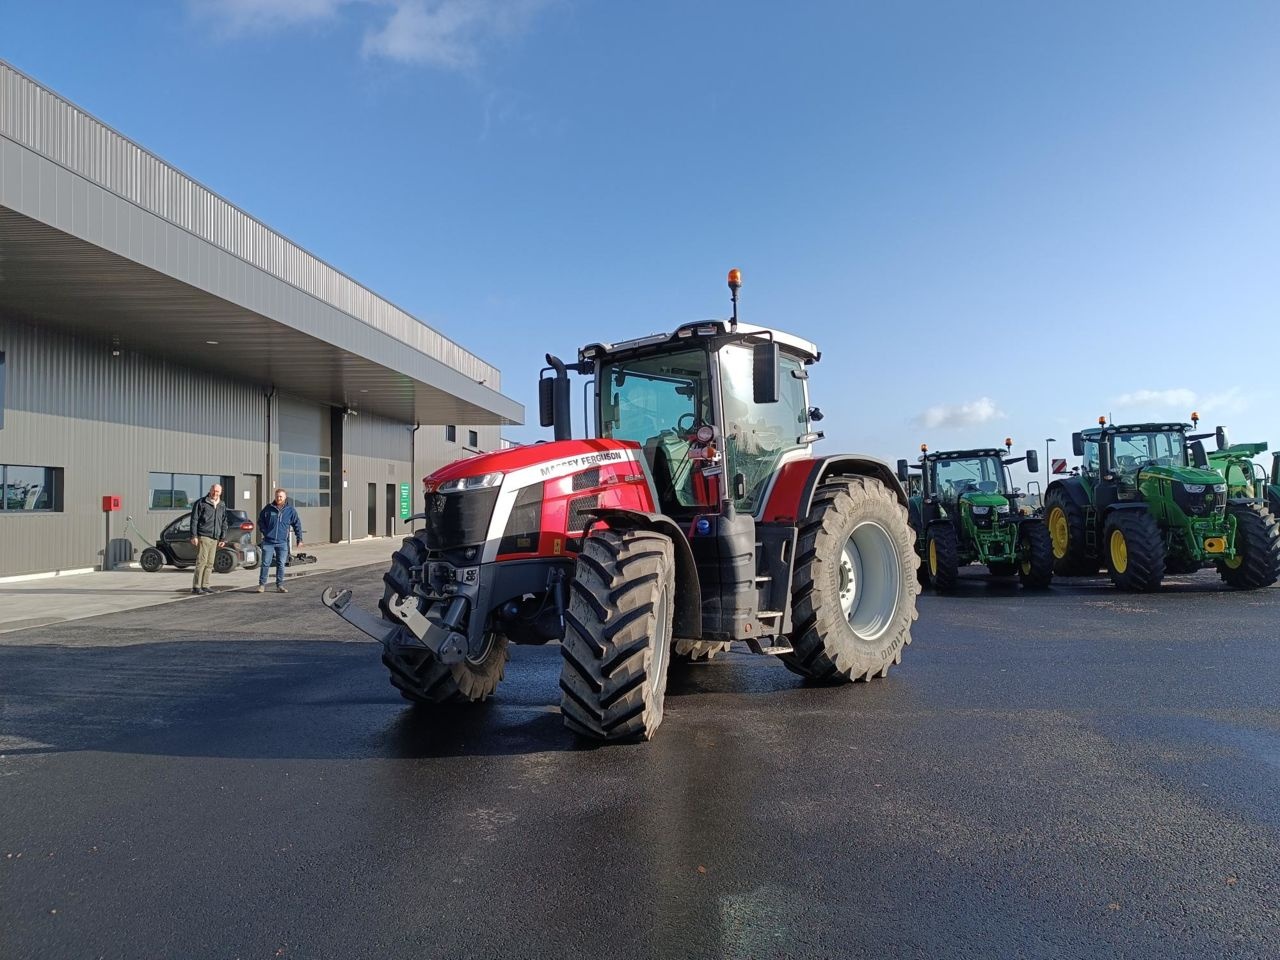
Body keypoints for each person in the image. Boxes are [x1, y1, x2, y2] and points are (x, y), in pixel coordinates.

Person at [257, 488, 303, 594]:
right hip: (268, 541)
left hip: (282, 542)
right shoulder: (268, 508)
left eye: (281, 496)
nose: (279, 498)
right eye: (277, 496)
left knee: (281, 564)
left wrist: (299, 538)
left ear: (285, 497)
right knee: (265, 563)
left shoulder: (290, 510)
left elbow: (297, 524)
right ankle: (262, 585)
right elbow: (260, 521)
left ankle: (279, 585)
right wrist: (265, 532)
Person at [188, 483, 227, 595]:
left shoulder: (222, 505)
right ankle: (196, 587)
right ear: (210, 490)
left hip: (215, 537)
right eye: (214, 490)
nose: (215, 493)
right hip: (203, 536)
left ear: (221, 492)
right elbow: (194, 520)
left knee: (210, 563)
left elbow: (224, 521)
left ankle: (205, 585)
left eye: (218, 491)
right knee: (202, 561)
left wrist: (222, 538)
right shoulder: (201, 503)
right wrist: (194, 536)